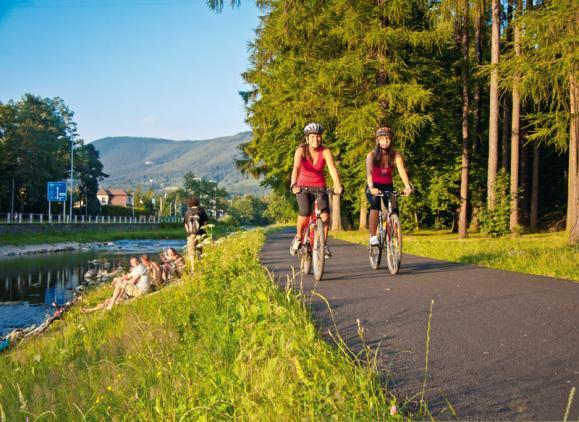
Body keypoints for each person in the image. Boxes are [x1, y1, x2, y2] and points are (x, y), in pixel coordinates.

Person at [289, 122, 343, 259]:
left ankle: (323, 245)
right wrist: (293, 184)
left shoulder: (325, 151)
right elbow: (296, 167)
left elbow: (331, 168)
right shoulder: (301, 150)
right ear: (307, 138)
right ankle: (299, 236)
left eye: (318, 136)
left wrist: (337, 185)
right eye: (312, 137)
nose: (315, 140)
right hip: (302, 187)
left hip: (320, 187)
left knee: (324, 216)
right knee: (305, 212)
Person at [366, 126, 412, 246]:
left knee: (394, 209)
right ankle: (373, 236)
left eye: (387, 139)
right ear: (377, 140)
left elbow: (402, 171)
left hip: (388, 185)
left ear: (391, 140)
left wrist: (407, 186)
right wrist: (371, 188)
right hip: (374, 185)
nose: (384, 141)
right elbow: (369, 173)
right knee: (375, 204)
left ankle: (395, 237)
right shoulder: (371, 155)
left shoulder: (396, 155)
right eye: (382, 139)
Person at [82, 256, 150, 312]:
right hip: (136, 289)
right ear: (131, 263)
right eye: (132, 262)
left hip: (141, 291)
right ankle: (91, 310)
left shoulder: (140, 268)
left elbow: (132, 282)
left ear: (138, 261)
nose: (134, 263)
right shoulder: (136, 268)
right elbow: (127, 276)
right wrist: (119, 279)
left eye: (135, 261)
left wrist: (122, 282)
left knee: (119, 286)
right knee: (111, 299)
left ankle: (110, 306)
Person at [183, 196, 209, 266]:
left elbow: (185, 224)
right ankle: (201, 266)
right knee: (200, 251)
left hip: (191, 235)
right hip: (201, 234)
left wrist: (188, 234)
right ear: (197, 202)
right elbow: (206, 223)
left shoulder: (187, 212)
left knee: (191, 253)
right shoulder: (201, 211)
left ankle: (193, 269)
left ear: (188, 203)